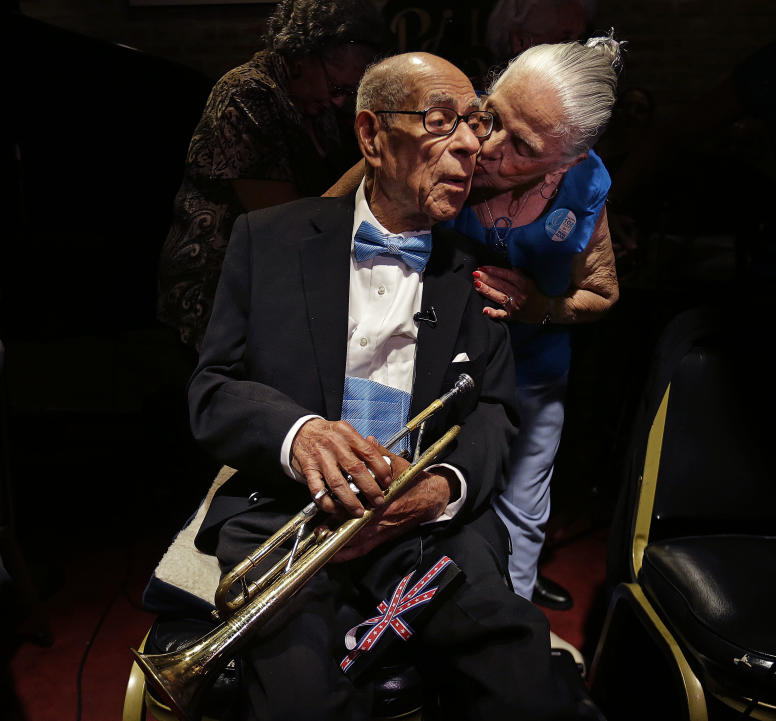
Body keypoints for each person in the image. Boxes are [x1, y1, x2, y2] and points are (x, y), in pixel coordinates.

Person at [188, 51, 593, 721]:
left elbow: (494, 412)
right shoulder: (267, 240)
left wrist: (436, 490)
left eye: (477, 122)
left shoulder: (481, 275)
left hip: (427, 532)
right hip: (290, 520)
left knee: (525, 685)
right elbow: (213, 390)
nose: (471, 144)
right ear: (373, 136)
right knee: (298, 704)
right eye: (441, 121)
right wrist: (300, 434)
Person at [449, 35, 622, 607]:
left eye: (523, 145)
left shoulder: (583, 185)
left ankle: (510, 639)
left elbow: (602, 293)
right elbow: (343, 210)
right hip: (436, 370)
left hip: (531, 376)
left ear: (568, 159)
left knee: (521, 509)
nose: (490, 146)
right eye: (492, 115)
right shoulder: (449, 121)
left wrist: (543, 308)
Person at [157, 0, 386, 351]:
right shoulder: (247, 95)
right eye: (336, 88)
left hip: (276, 281)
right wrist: (377, 152)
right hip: (216, 288)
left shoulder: (317, 106)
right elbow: (289, 228)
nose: (340, 102)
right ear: (302, 57)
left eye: (348, 92)